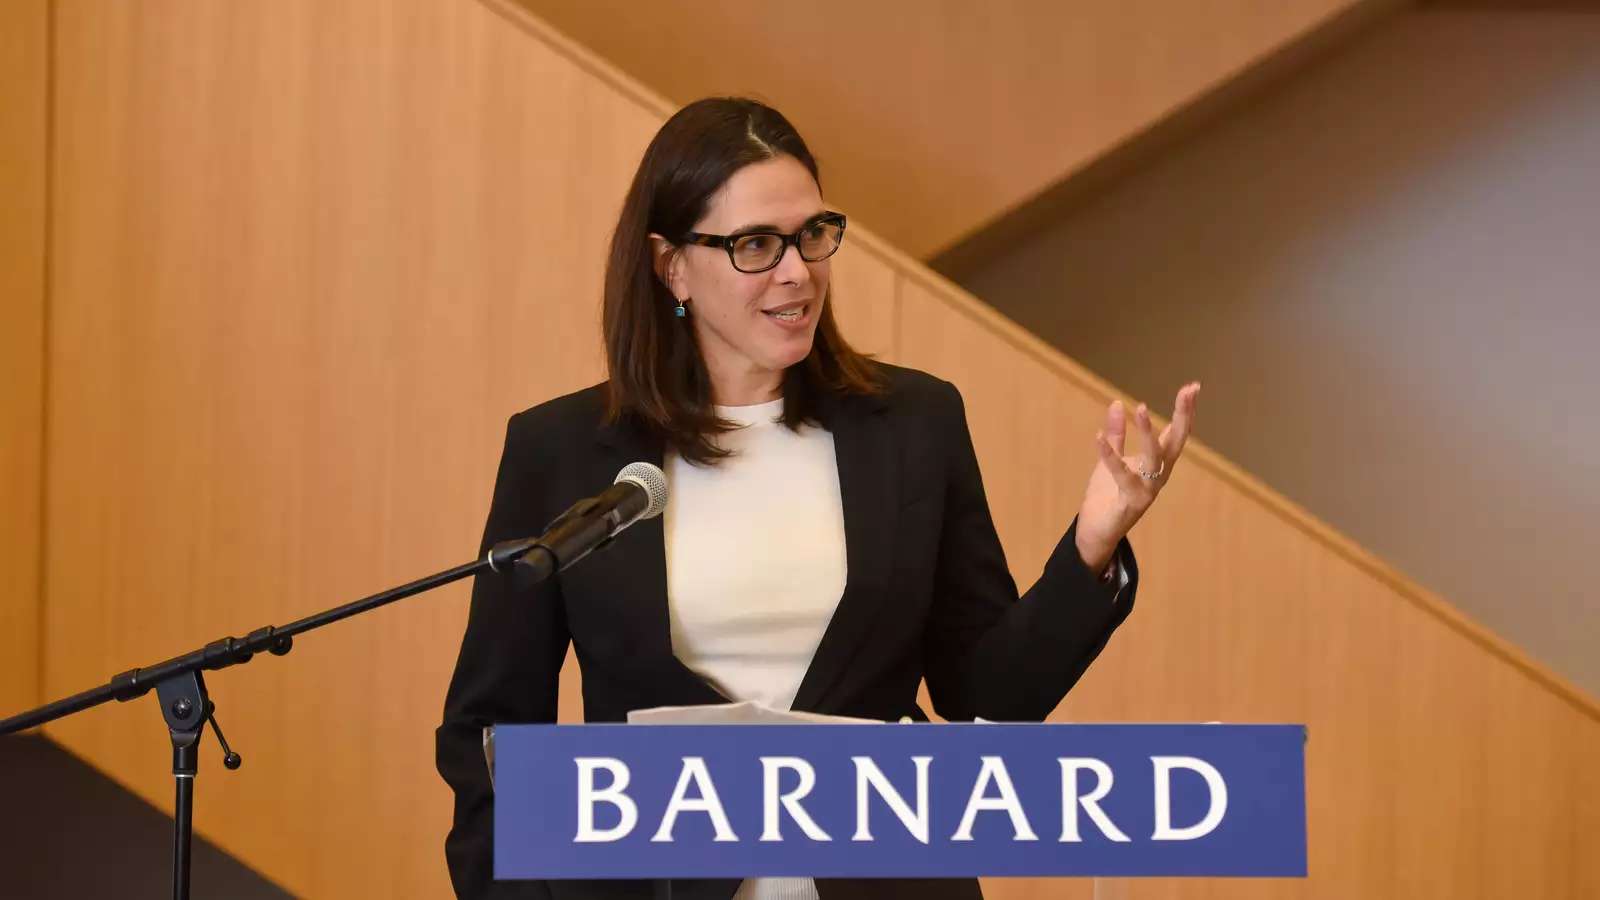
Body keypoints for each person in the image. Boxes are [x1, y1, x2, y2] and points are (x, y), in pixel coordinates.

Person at [436, 96, 1200, 900]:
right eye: (756, 245)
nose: (798, 271)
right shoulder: (560, 451)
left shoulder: (914, 424)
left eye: (812, 235)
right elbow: (489, 727)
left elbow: (986, 690)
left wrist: (1093, 545)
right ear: (672, 266)